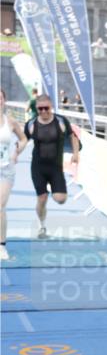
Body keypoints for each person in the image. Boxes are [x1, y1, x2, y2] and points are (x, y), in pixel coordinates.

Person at [24, 94, 78, 239]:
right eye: (40, 109)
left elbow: (73, 137)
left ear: (51, 107)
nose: (43, 111)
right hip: (38, 167)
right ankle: (41, 226)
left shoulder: (61, 121)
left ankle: (51, 189)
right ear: (37, 108)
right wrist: (15, 152)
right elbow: (23, 140)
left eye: (46, 108)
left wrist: (75, 153)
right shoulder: (31, 124)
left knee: (61, 199)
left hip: (55, 168)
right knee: (42, 198)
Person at [0, 88, 28, 261]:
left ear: (4, 100)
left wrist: (16, 152)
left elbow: (24, 139)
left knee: (0, 206)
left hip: (5, 169)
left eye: (0, 98)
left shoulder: (10, 122)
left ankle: (1, 246)